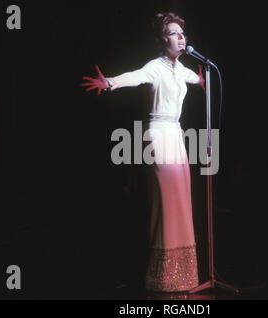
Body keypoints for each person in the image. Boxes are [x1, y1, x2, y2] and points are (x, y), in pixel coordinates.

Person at [82, 12, 205, 292]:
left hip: (175, 134)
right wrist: (111, 82)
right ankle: (161, 276)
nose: (181, 37)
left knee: (182, 200)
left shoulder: (180, 68)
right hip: (158, 135)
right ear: (163, 40)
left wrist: (201, 81)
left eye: (182, 33)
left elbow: (193, 79)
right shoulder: (156, 66)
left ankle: (183, 275)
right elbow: (135, 77)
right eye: (174, 33)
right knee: (166, 201)